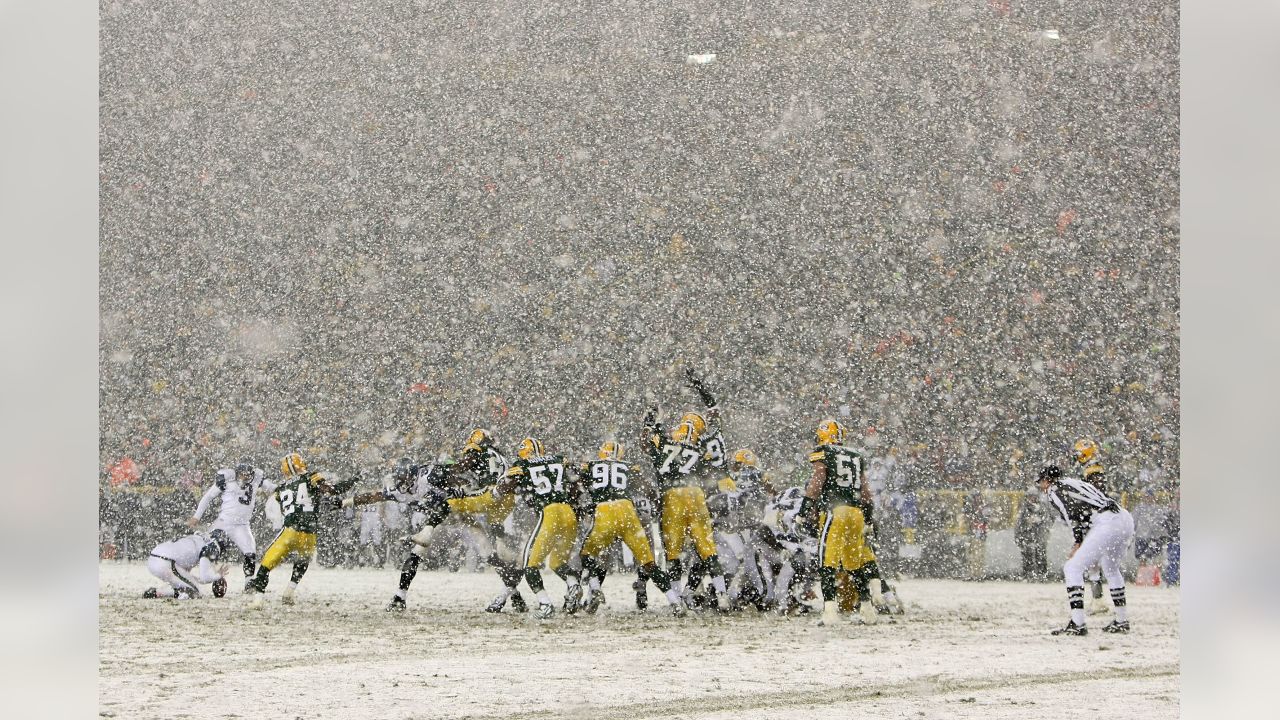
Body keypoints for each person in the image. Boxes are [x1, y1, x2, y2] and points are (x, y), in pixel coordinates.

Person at [641, 370, 732, 610]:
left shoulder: (670, 439)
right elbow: (714, 415)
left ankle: (679, 596)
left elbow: (647, 442)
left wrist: (651, 421)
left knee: (674, 551)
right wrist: (702, 389)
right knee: (707, 549)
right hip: (704, 494)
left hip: (674, 495)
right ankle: (720, 594)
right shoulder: (706, 441)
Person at [799, 419, 896, 625]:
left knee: (827, 562)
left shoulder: (824, 452)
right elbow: (866, 492)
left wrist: (805, 508)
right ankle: (867, 610)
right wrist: (868, 517)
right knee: (855, 563)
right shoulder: (856, 455)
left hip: (836, 510)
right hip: (857, 513)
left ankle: (830, 614)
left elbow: (818, 479)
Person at [575, 440, 685, 615]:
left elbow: (577, 484)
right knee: (649, 564)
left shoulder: (590, 465)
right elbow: (647, 488)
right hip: (627, 511)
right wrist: (657, 504)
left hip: (605, 510)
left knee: (587, 555)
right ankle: (675, 602)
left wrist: (583, 502)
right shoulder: (628, 466)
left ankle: (594, 589)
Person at [343, 456, 456, 612]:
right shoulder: (400, 492)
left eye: (402, 477)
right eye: (398, 477)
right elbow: (373, 496)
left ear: (412, 475)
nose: (399, 481)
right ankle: (400, 597)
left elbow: (454, 475)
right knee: (414, 556)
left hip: (460, 513)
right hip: (438, 521)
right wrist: (346, 502)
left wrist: (451, 479)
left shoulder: (427, 477)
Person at [245, 452, 358, 604]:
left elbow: (285, 505)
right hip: (309, 533)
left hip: (291, 530)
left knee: (266, 563)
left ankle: (258, 599)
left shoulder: (281, 489)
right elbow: (332, 490)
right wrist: (353, 480)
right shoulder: (310, 477)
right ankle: (289, 592)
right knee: (303, 561)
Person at [1038, 465, 1135, 635]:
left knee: (1072, 568)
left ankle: (1078, 623)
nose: (1041, 487)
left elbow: (1072, 514)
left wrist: (1078, 541)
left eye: (1042, 482)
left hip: (1106, 522)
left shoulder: (1055, 489)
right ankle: (1121, 620)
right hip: (1123, 517)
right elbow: (1086, 510)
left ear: (1048, 480)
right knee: (1111, 569)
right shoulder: (1076, 483)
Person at [493, 436, 583, 619]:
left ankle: (545, 604)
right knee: (558, 563)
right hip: (569, 513)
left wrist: (496, 490)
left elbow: (505, 487)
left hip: (550, 513)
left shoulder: (522, 464)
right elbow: (575, 484)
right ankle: (573, 584)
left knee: (529, 566)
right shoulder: (558, 458)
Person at [186, 459, 266, 587]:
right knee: (208, 548)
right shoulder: (227, 480)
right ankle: (191, 573)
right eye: (242, 474)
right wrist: (197, 516)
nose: (244, 477)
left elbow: (271, 486)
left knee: (250, 552)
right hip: (224, 523)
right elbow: (208, 496)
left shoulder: (256, 480)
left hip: (242, 525)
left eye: (247, 474)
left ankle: (249, 582)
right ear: (236, 473)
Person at [142, 529, 232, 600]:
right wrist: (218, 576)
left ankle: (161, 592)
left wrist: (213, 576)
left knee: (187, 586)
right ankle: (159, 592)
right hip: (166, 562)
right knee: (193, 592)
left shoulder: (197, 540)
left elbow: (188, 576)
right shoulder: (212, 546)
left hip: (156, 560)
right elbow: (205, 577)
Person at [1014, 485, 1051, 580]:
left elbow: (1047, 520)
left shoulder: (1041, 507)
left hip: (1039, 536)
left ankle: (1042, 574)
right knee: (1027, 556)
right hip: (1027, 535)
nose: (1032, 498)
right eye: (1030, 496)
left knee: (1041, 555)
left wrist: (1039, 521)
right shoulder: (1024, 508)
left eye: (1034, 496)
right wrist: (1026, 523)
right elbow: (1018, 523)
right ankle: (1028, 574)